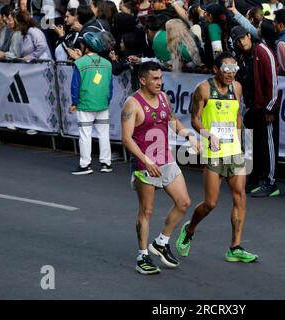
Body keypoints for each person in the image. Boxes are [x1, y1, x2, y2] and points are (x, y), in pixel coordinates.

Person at [175, 52, 258, 263]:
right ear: (215, 70)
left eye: (234, 69)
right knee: (211, 203)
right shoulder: (203, 89)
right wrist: (206, 134)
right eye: (226, 69)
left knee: (240, 196)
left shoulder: (236, 88)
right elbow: (194, 119)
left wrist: (240, 142)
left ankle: (235, 247)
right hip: (213, 152)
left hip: (233, 150)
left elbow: (238, 115)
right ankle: (190, 229)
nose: (231, 74)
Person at [121, 61, 200, 275]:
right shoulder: (132, 104)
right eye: (155, 79)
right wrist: (146, 160)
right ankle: (142, 256)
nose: (159, 82)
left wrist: (190, 137)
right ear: (143, 80)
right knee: (146, 211)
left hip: (166, 159)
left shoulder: (164, 98)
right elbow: (127, 139)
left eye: (161, 78)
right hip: (144, 164)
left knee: (183, 202)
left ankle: (161, 242)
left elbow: (172, 121)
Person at [231, 25, 280, 197]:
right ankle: (255, 178)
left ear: (248, 36)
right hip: (250, 107)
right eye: (237, 40)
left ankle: (271, 182)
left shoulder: (262, 51)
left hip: (265, 107)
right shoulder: (240, 57)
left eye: (242, 38)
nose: (241, 42)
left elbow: (273, 81)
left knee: (268, 145)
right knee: (253, 145)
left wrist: (270, 108)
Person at [70, 32, 113, 175]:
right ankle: (106, 163)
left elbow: (75, 85)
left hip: (85, 104)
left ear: (85, 47)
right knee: (104, 134)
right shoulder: (107, 64)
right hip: (102, 103)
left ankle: (85, 165)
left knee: (85, 134)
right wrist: (107, 100)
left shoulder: (80, 63)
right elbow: (110, 86)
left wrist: (75, 102)